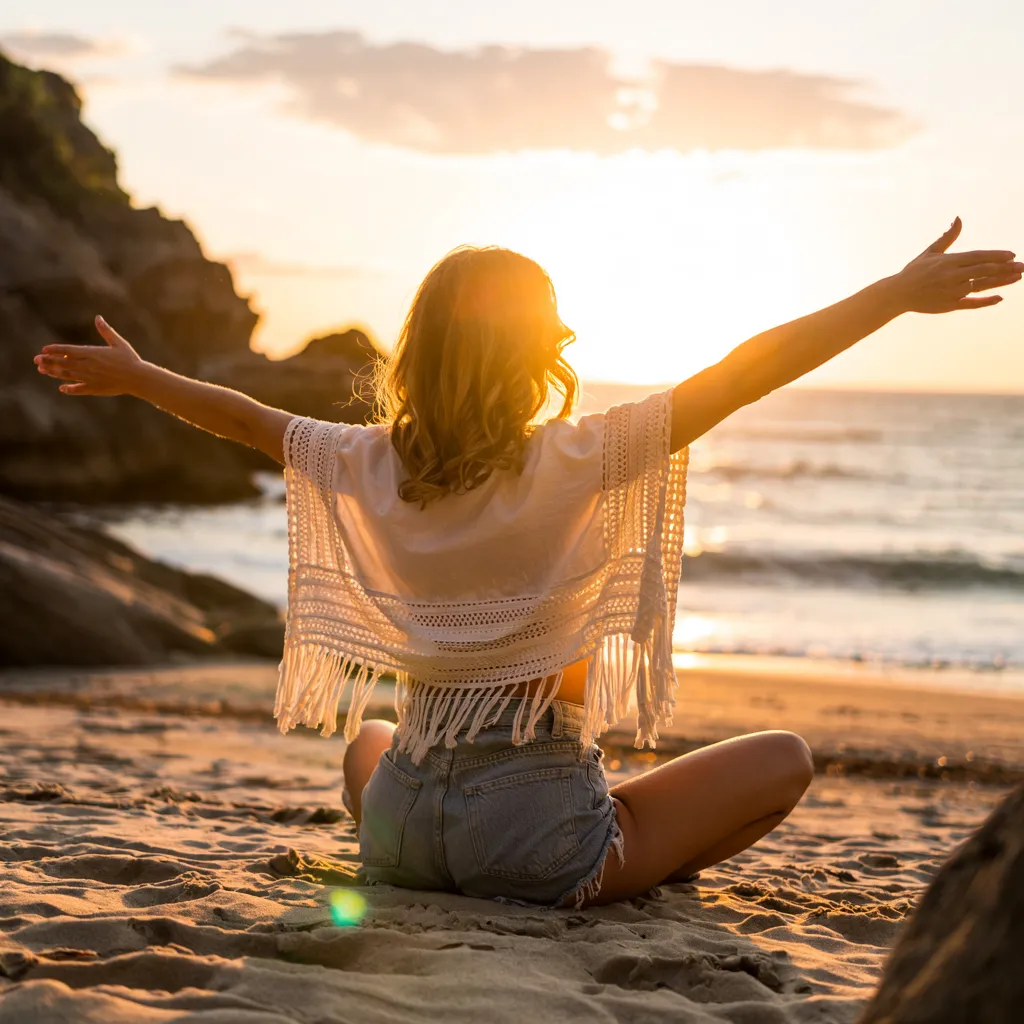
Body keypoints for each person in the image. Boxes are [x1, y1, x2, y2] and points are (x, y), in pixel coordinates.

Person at [34, 217, 1021, 908]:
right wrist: (889, 297)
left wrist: (135, 377)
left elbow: (243, 417)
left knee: (369, 737)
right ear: (535, 349)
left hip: (402, 823)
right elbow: (746, 371)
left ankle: (502, 848)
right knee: (784, 759)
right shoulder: (580, 456)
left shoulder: (365, 460)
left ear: (416, 350)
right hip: (534, 829)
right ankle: (620, 861)